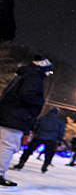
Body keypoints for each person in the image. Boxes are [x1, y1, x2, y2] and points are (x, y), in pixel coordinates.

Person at [0, 54, 53, 186]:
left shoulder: (25, 73)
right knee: (7, 146)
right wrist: (40, 101)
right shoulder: (34, 76)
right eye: (49, 71)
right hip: (15, 117)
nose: (48, 74)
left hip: (7, 114)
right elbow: (27, 95)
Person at [12, 107, 65, 173]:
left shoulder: (42, 118)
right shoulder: (59, 121)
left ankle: (21, 162)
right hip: (52, 139)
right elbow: (61, 131)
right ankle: (45, 166)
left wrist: (35, 133)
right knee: (49, 153)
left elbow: (35, 126)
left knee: (29, 150)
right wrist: (59, 140)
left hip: (39, 137)